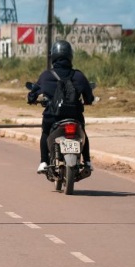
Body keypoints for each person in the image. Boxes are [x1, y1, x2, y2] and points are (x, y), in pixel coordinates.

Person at [28, 40, 95, 174]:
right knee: (83, 134)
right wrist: (88, 100)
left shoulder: (46, 76)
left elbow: (32, 95)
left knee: (45, 133)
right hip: (75, 116)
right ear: (70, 56)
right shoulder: (78, 75)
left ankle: (44, 162)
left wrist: (32, 99)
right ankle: (87, 161)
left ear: (53, 56)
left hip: (53, 117)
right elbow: (89, 97)